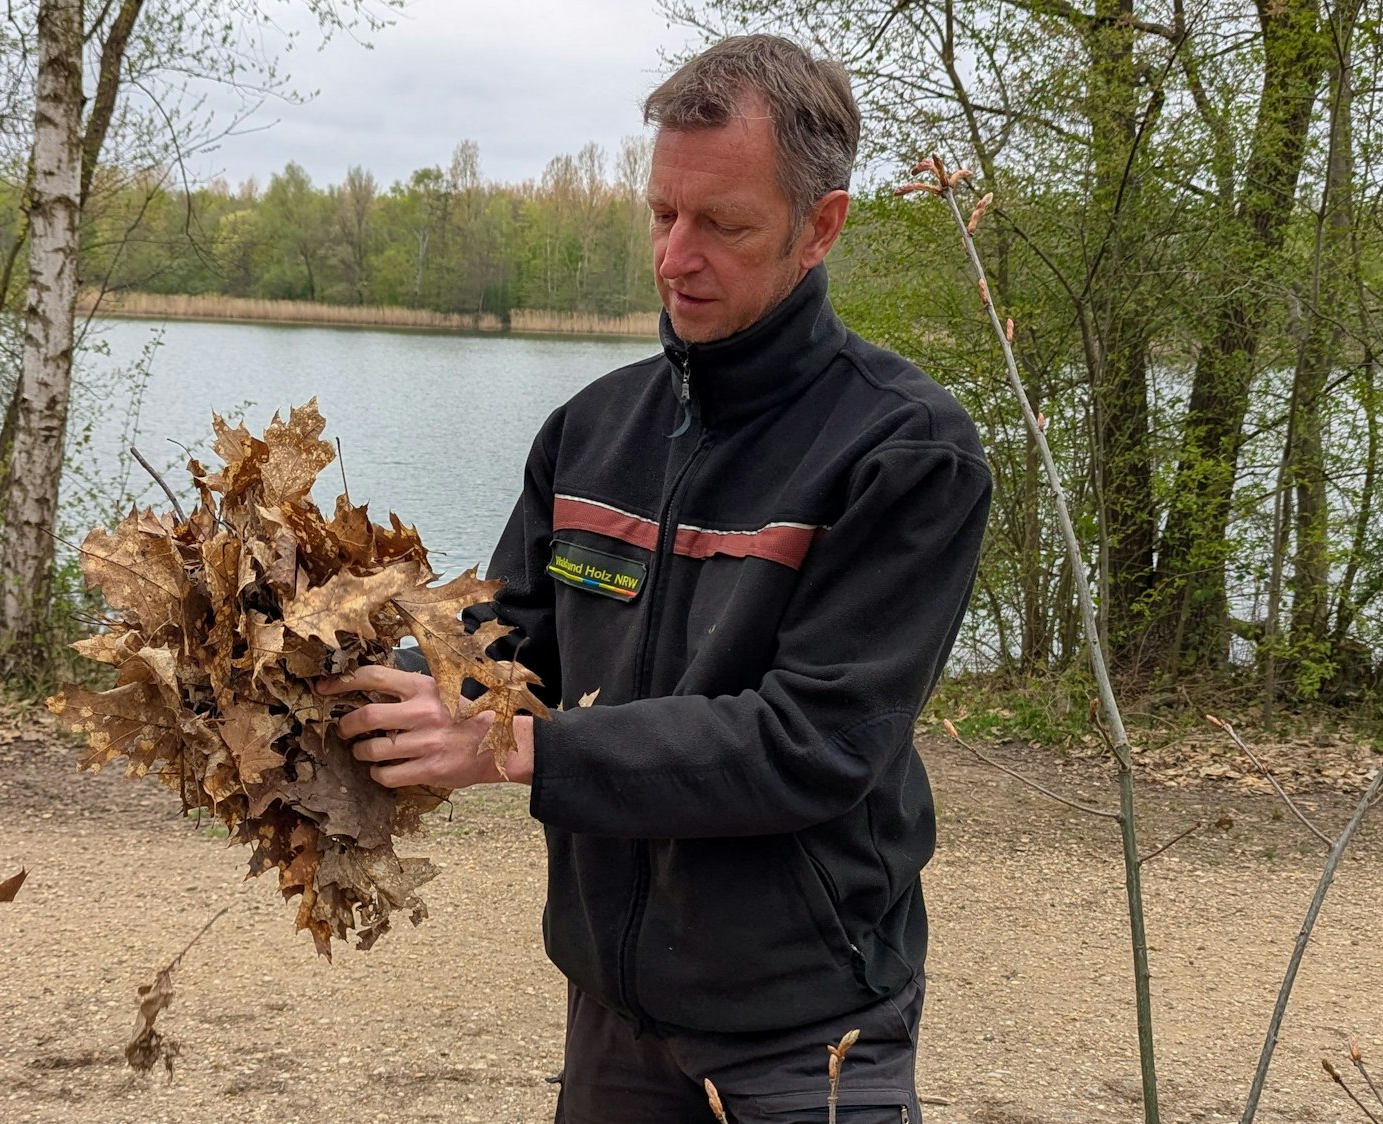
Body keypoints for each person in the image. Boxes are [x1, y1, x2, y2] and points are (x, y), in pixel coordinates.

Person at [323, 34, 991, 1123]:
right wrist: (336, 676)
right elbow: (508, 649)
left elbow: (813, 741)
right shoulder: (589, 432)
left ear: (821, 227)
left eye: (722, 226)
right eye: (661, 215)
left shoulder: (905, 452)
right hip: (613, 1006)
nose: (675, 257)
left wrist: (514, 747)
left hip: (808, 1020)